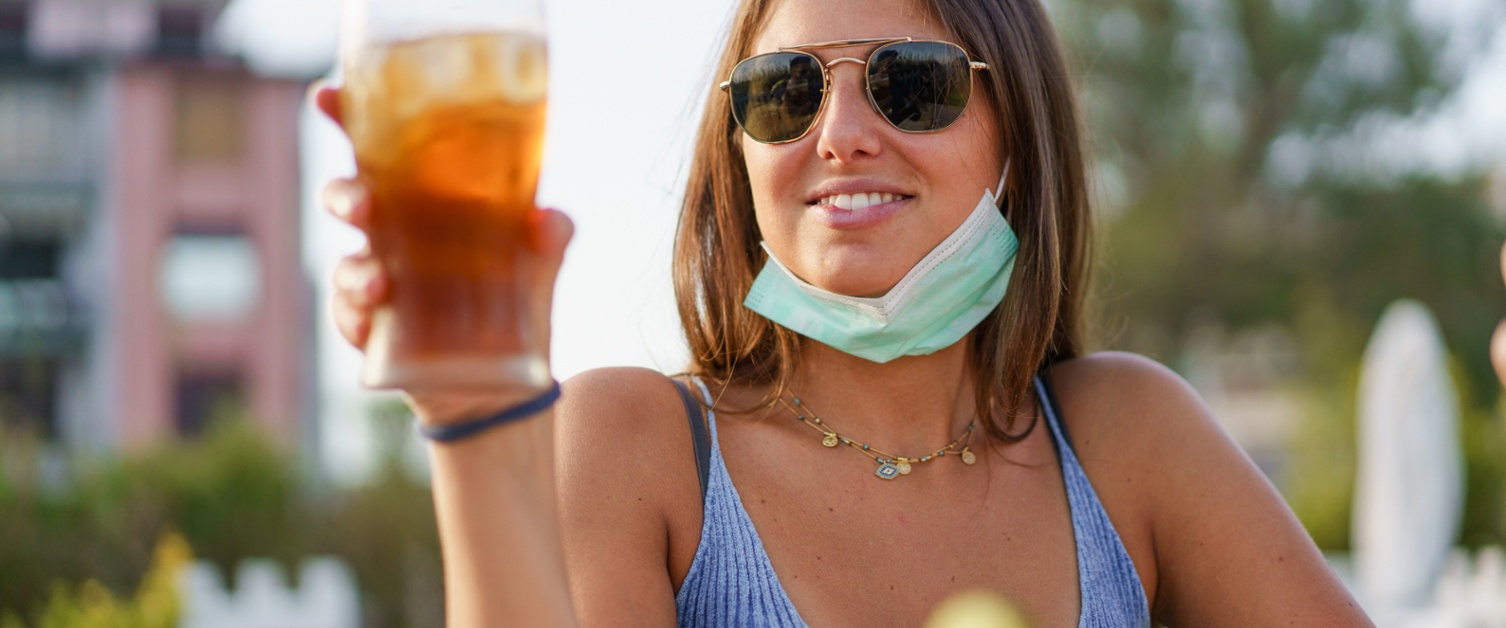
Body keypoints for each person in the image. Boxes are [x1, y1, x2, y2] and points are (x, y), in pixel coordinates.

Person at [316, 0, 1374, 624]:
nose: (841, 134)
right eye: (786, 91)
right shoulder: (639, 446)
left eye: (911, 85)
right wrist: (475, 414)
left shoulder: (1127, 435)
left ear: (1018, 132)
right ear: (739, 154)